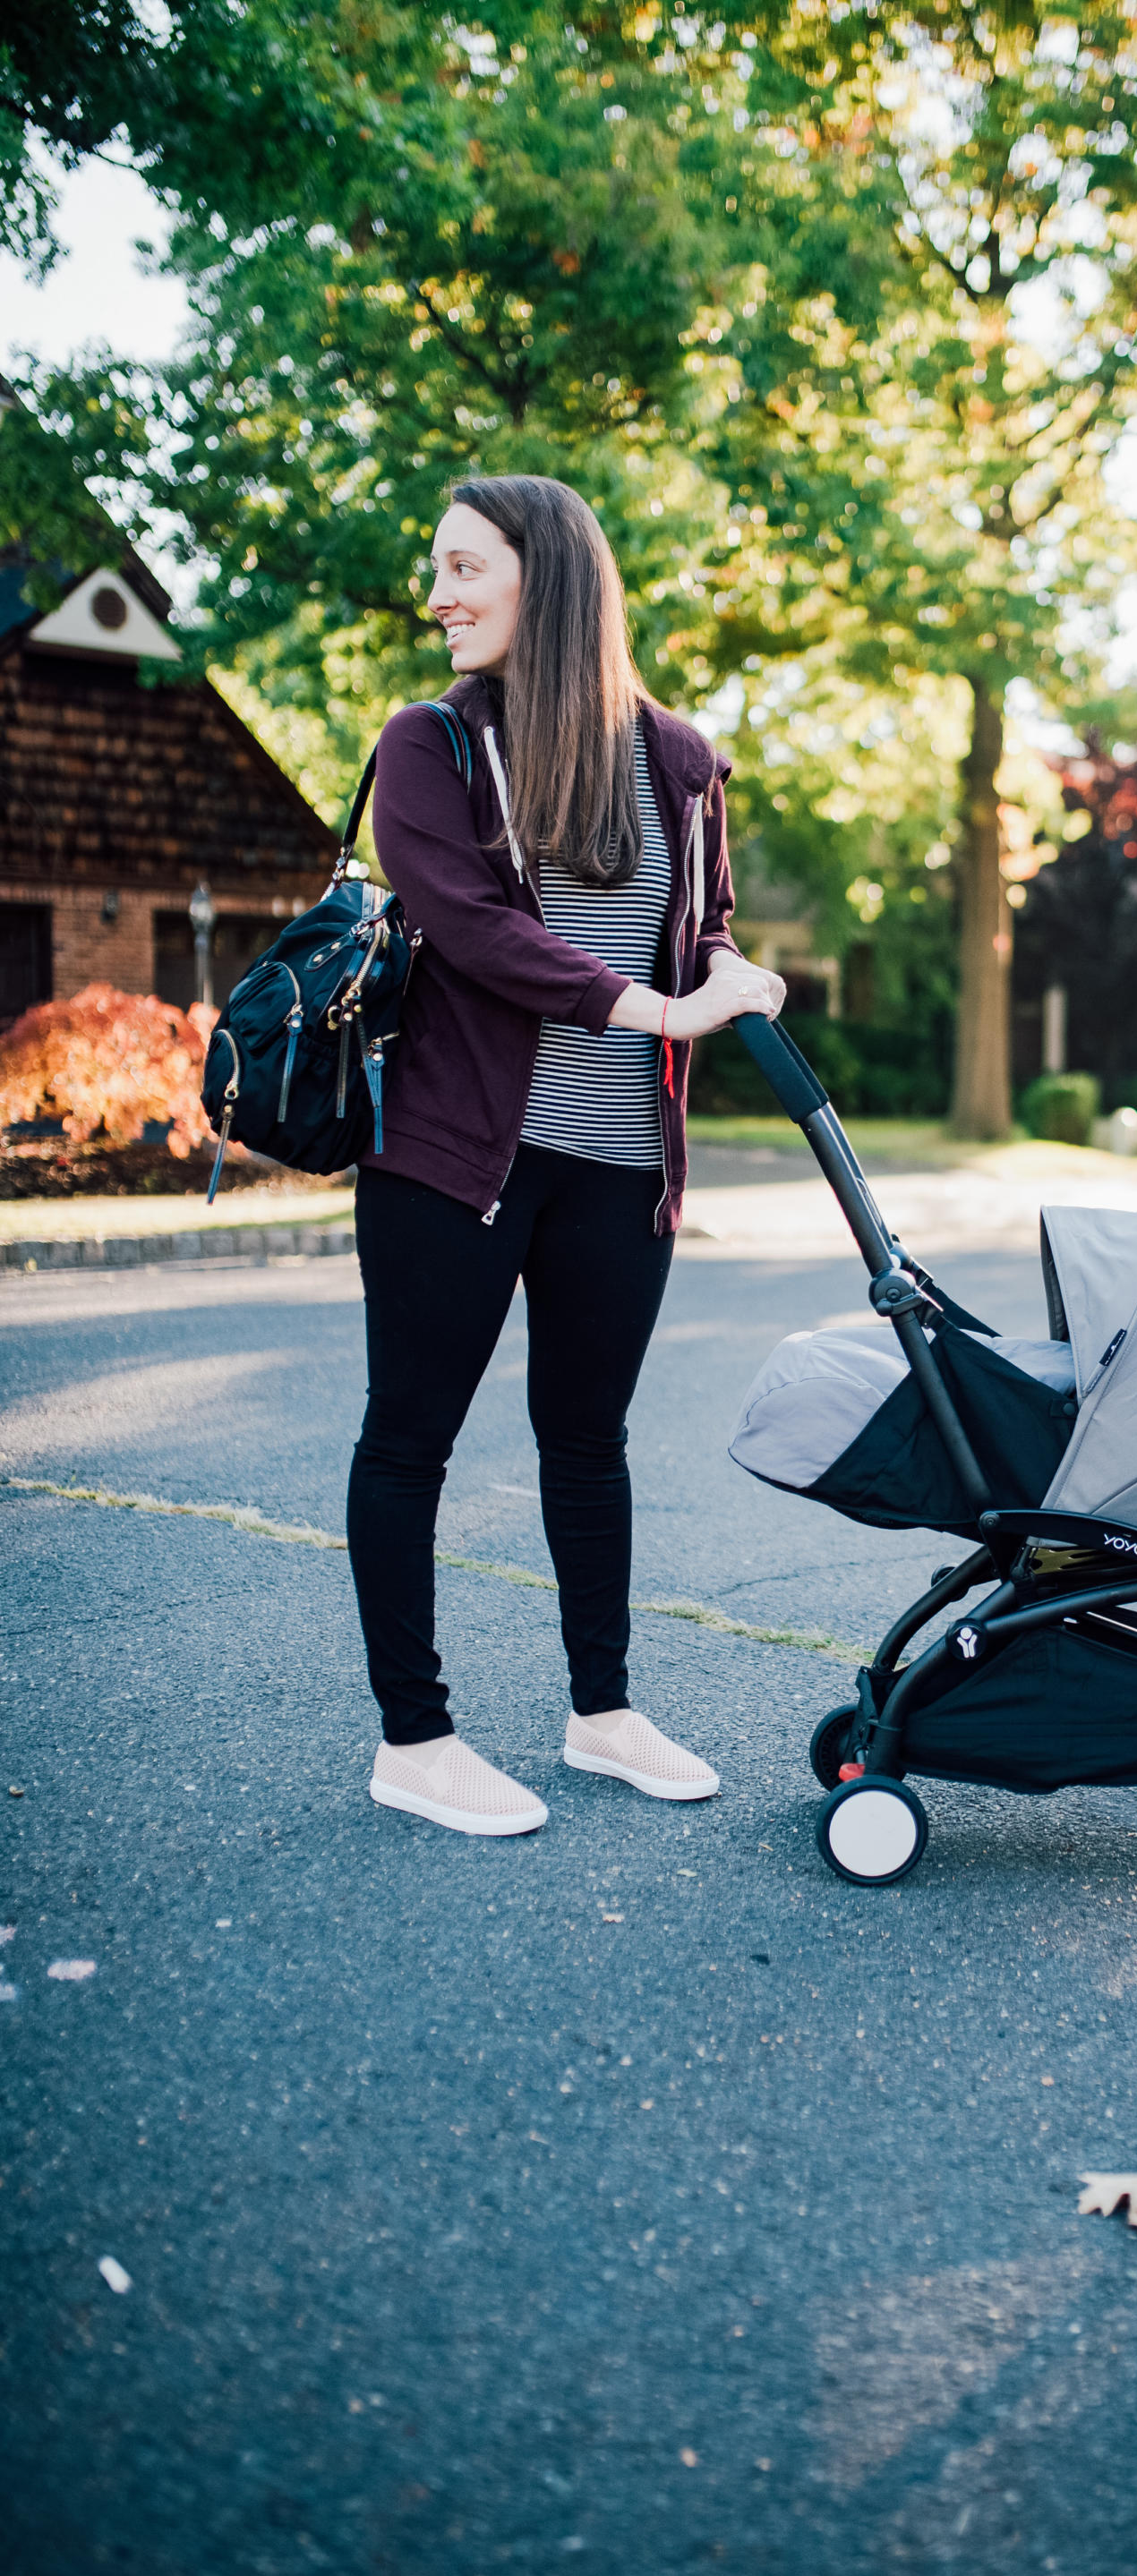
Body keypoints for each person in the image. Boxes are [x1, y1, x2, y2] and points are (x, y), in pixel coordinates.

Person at [349, 473, 784, 1838]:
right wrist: (657, 1004)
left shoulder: (678, 757)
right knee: (411, 1437)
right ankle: (414, 1739)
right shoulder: (430, 749)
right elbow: (477, 929)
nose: (441, 594)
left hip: (616, 1162)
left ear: (551, 577)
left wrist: (730, 969)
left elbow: (698, 928)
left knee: (587, 1439)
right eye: (439, 568)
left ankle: (602, 1711)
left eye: (467, 566)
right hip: (455, 1153)